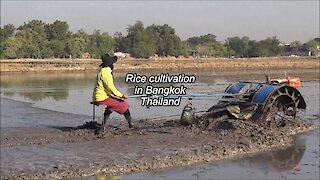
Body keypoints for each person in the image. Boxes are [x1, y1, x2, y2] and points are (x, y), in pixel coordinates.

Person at [92, 54, 134, 134]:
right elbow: (111, 87)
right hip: (101, 98)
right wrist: (121, 95)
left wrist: (115, 95)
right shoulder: (106, 72)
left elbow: (107, 88)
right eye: (113, 63)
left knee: (111, 107)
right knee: (124, 104)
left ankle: (103, 126)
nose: (113, 65)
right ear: (110, 64)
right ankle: (131, 125)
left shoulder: (103, 70)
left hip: (100, 96)